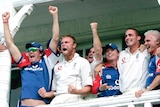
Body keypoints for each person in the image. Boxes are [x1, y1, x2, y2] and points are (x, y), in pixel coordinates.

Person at [2, 5, 60, 107]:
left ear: (41, 53)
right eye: (29, 50)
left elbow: (55, 38)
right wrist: (5, 23)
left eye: (33, 50)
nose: (30, 52)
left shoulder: (47, 61)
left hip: (40, 104)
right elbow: (10, 44)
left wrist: (55, 15)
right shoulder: (24, 61)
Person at [38, 35, 93, 105]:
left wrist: (76, 91)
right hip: (57, 101)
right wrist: (46, 94)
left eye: (66, 42)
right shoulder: (57, 66)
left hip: (74, 99)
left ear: (74, 45)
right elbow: (55, 91)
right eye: (62, 43)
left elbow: (88, 88)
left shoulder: (82, 62)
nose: (63, 44)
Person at [117, 28, 150, 95]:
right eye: (126, 36)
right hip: (124, 93)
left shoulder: (146, 51)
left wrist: (145, 46)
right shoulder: (122, 54)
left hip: (140, 92)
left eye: (130, 35)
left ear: (138, 37)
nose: (127, 38)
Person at [135, 30, 160, 98]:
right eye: (145, 41)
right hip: (153, 95)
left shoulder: (158, 54)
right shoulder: (152, 56)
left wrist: (147, 90)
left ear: (157, 41)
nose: (145, 43)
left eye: (148, 41)